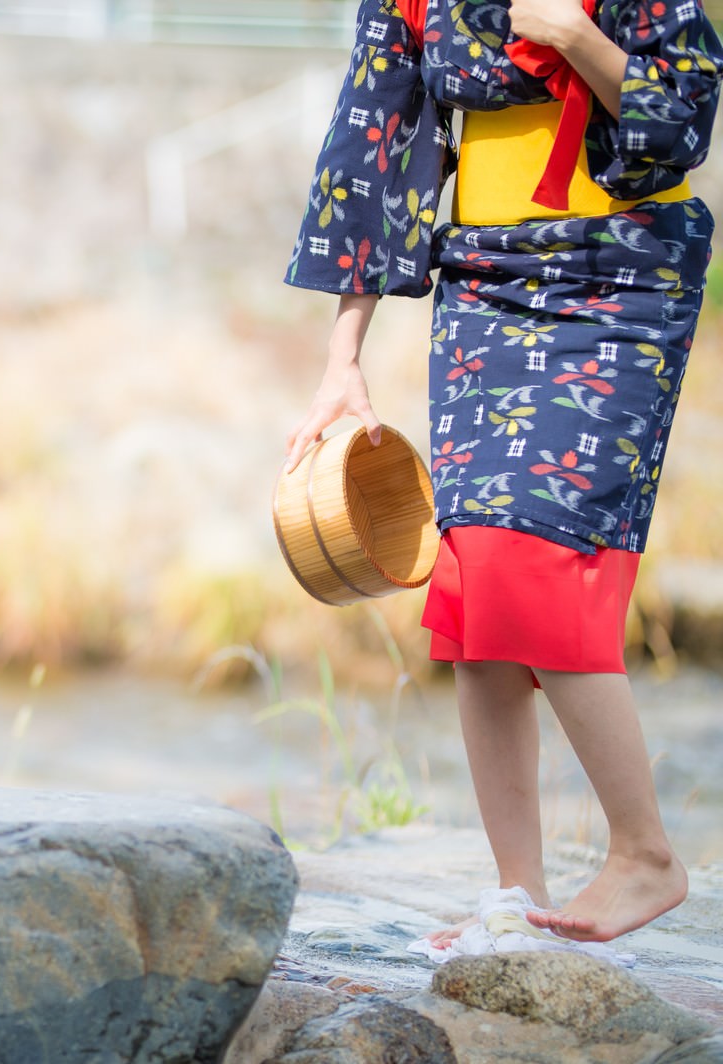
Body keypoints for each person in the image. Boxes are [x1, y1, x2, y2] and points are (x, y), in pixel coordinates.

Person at [283, 0, 721, 945]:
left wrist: (573, 35)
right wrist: (343, 357)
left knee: (535, 564)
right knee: (474, 576)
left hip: (621, 279)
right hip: (485, 283)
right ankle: (517, 897)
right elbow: (375, 152)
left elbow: (681, 125)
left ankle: (645, 854)